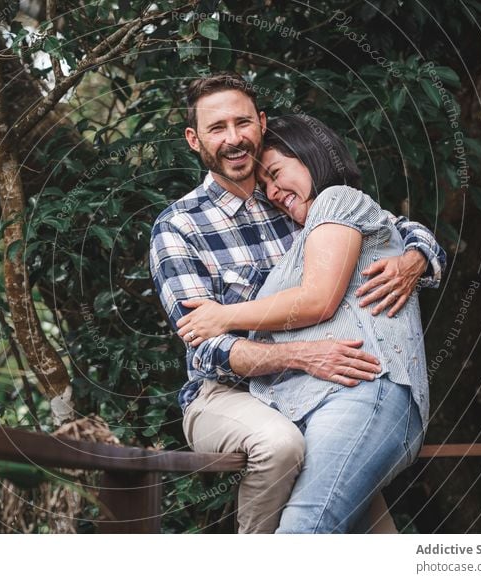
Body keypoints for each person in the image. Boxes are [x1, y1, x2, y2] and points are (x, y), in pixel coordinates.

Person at [149, 73, 445, 533]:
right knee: (281, 446)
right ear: (194, 139)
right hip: (229, 394)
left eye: (242, 123)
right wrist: (301, 356)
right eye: (216, 128)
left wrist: (416, 257)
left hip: (319, 391)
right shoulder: (179, 227)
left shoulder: (295, 194)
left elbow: (393, 227)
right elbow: (206, 345)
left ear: (261, 124)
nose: (233, 138)